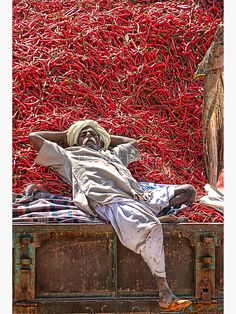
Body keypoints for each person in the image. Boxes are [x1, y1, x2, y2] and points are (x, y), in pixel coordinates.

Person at [29, 119, 196, 311]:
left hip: (139, 195)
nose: (89, 137)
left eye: (93, 134)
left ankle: (151, 212)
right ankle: (165, 292)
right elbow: (34, 138)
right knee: (152, 228)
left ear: (101, 140)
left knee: (188, 191)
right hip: (110, 200)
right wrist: (67, 134)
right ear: (74, 141)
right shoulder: (68, 156)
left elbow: (133, 142)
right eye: (83, 135)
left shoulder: (113, 155)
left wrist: (104, 137)